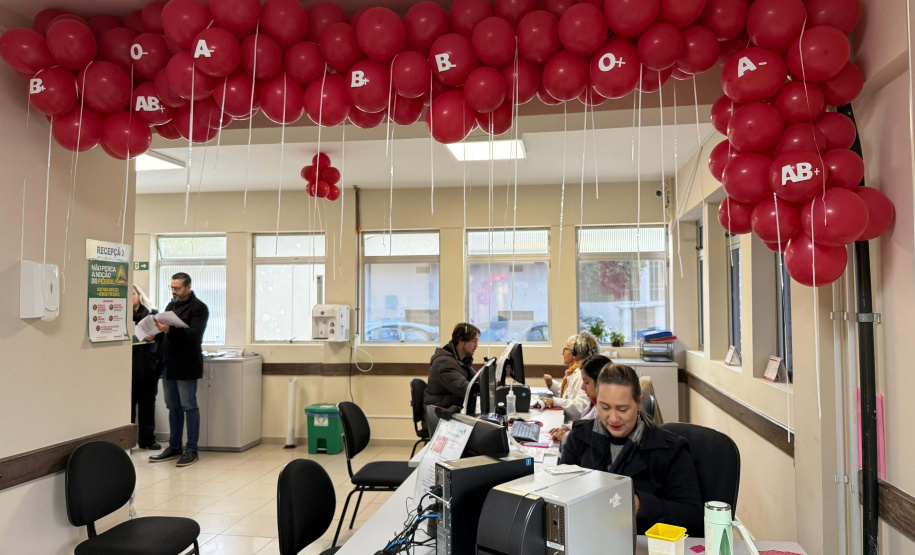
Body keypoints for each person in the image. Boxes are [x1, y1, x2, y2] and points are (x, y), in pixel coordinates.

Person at [560, 363, 704, 536]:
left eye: (622, 409)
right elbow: (560, 494)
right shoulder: (579, 438)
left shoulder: (671, 450)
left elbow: (692, 517)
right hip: (587, 538)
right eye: (604, 407)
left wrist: (640, 505)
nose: (613, 418)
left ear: (639, 403)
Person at [149, 273, 209, 468]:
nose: (174, 291)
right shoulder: (171, 305)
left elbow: (194, 335)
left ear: (188, 287)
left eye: (177, 288)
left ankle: (192, 449)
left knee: (188, 406)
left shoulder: (199, 308)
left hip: (187, 364)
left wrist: (169, 330)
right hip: (168, 364)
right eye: (172, 288)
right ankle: (174, 446)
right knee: (172, 406)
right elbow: (166, 332)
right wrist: (154, 333)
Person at [549, 354, 610, 442]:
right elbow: (585, 424)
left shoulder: (605, 411)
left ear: (600, 383)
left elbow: (592, 439)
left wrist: (567, 436)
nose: (582, 387)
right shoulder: (595, 405)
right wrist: (568, 428)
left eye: (587, 382)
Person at [537, 332, 598, 421]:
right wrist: (551, 384)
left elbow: (581, 407)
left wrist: (554, 401)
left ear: (575, 353)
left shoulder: (582, 374)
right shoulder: (574, 370)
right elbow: (568, 395)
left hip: (574, 423)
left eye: (565, 349)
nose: (563, 353)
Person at [424, 323, 480, 411]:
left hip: (450, 411)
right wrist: (485, 389)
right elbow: (465, 390)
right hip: (440, 416)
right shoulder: (444, 362)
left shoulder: (461, 360)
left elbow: (476, 379)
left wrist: (491, 383)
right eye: (473, 341)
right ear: (461, 340)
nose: (477, 345)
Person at [131, 284, 160, 450]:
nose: (131, 297)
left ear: (139, 295)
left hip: (149, 365)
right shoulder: (120, 314)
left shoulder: (152, 313)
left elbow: (161, 336)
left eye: (133, 293)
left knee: (148, 404)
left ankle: (148, 439)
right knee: (128, 405)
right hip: (129, 366)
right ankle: (128, 441)